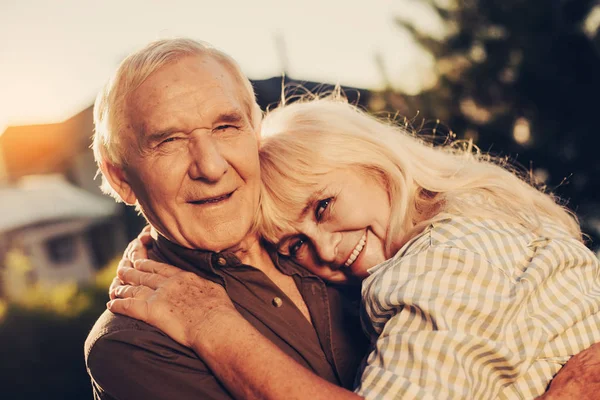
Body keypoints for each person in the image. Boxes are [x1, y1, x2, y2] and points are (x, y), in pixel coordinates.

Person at [109, 95, 600, 399]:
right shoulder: (484, 212)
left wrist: (208, 323)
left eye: (323, 206)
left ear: (371, 161)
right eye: (295, 243)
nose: (323, 249)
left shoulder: (442, 261)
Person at [84, 39, 368, 400]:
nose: (211, 167)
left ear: (256, 133)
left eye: (225, 127)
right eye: (169, 140)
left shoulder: (333, 221)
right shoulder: (132, 346)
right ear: (120, 179)